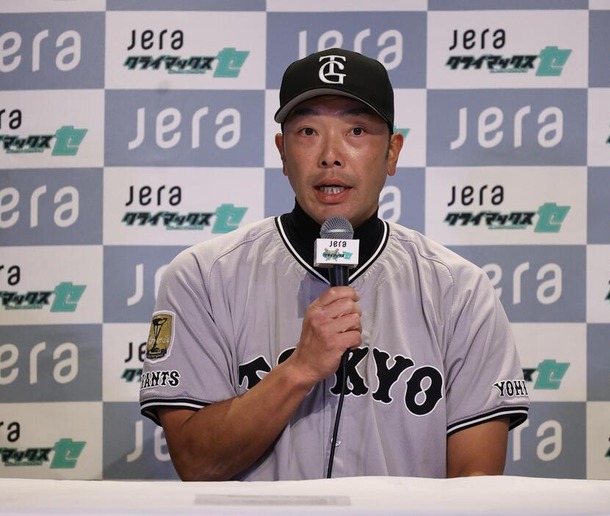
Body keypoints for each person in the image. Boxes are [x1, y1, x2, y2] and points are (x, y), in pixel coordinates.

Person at [139, 48, 530, 481]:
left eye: (356, 131)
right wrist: (299, 370)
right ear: (282, 152)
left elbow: (476, 485)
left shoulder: (459, 291)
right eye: (307, 131)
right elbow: (196, 462)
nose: (330, 155)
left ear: (393, 152)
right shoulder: (203, 277)